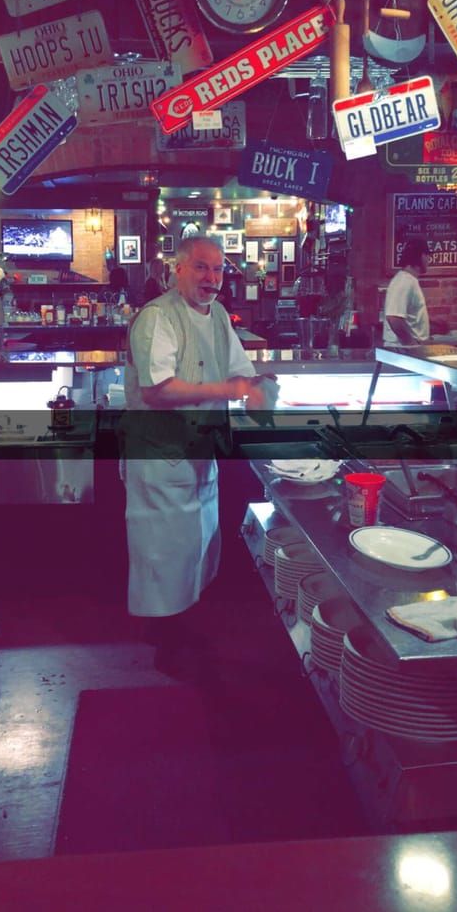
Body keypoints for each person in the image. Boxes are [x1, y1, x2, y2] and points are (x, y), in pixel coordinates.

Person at [121, 236, 276, 679]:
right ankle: (166, 644)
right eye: (202, 268)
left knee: (196, 547)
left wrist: (258, 387)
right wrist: (229, 390)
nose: (212, 278)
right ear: (179, 270)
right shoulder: (158, 317)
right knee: (165, 553)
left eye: (218, 269)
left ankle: (176, 630)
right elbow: (157, 389)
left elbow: (239, 369)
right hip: (160, 455)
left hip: (200, 453)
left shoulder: (219, 315)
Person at [383, 238, 431, 346]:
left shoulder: (409, 280)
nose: (429, 259)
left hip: (408, 350)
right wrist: (412, 345)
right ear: (421, 256)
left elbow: (407, 318)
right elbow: (394, 318)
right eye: (427, 255)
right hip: (403, 350)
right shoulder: (404, 281)